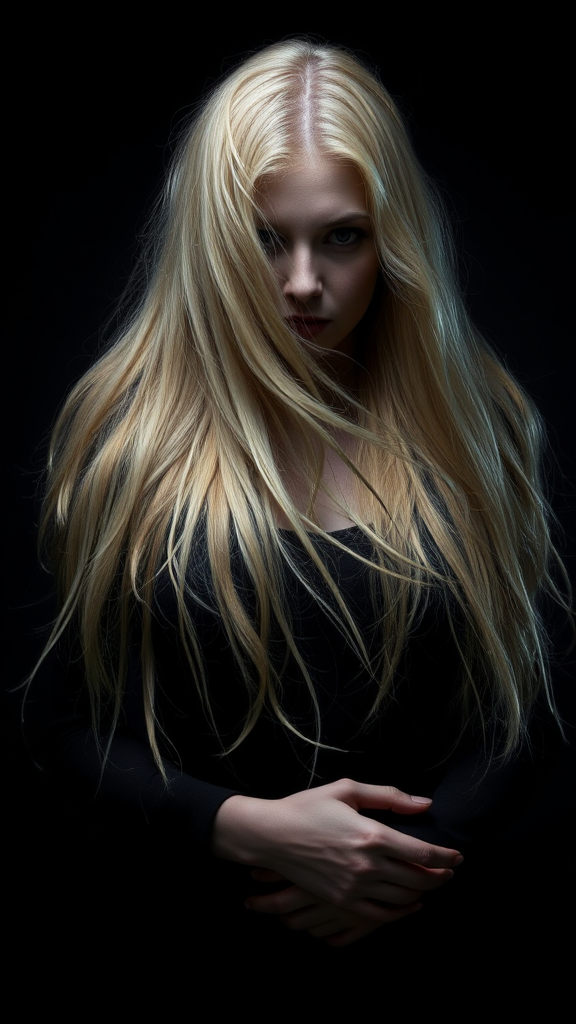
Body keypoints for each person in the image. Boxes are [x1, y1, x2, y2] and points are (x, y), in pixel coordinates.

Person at [28, 39, 569, 966]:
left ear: (389, 238)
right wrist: (240, 827)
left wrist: (402, 866)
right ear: (214, 239)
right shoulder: (123, 439)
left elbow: (529, 710)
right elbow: (67, 727)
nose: (305, 283)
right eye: (266, 238)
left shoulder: (478, 429)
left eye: (343, 236)